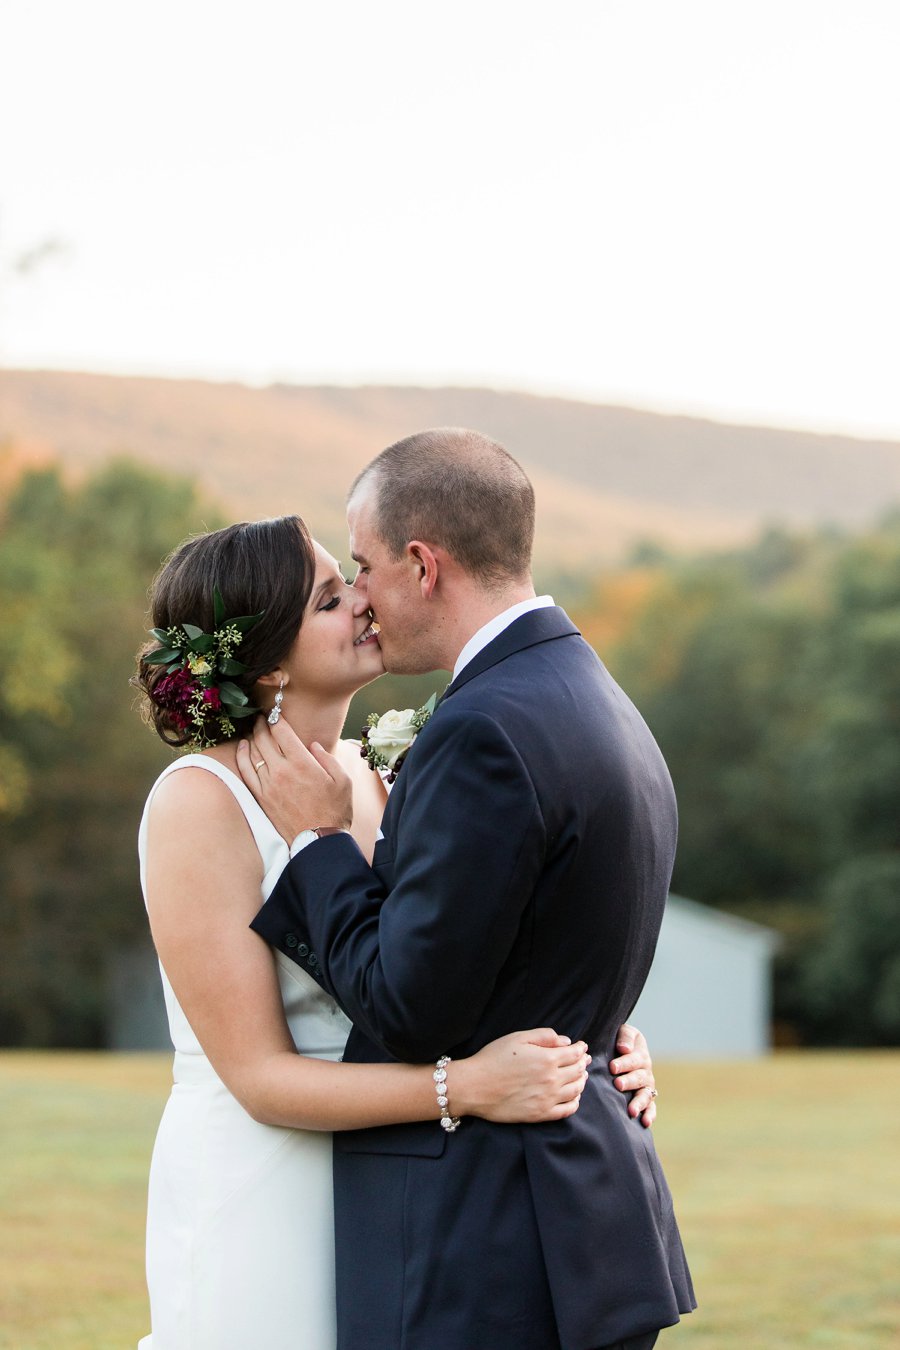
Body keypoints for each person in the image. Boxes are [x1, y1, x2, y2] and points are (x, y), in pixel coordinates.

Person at [133, 513, 661, 1350]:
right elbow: (260, 1079)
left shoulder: (371, 775)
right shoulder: (198, 802)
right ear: (267, 661)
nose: (365, 604)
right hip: (264, 1189)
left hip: (395, 1196)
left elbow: (434, 967)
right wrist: (472, 1087)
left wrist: (590, 1037)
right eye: (331, 600)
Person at [242, 429, 696, 1350]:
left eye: (361, 568)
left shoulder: (482, 730)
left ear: (422, 564)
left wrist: (318, 840)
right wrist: (607, 1041)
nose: (360, 599)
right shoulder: (600, 699)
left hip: (478, 1240)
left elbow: (410, 1007)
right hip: (590, 1219)